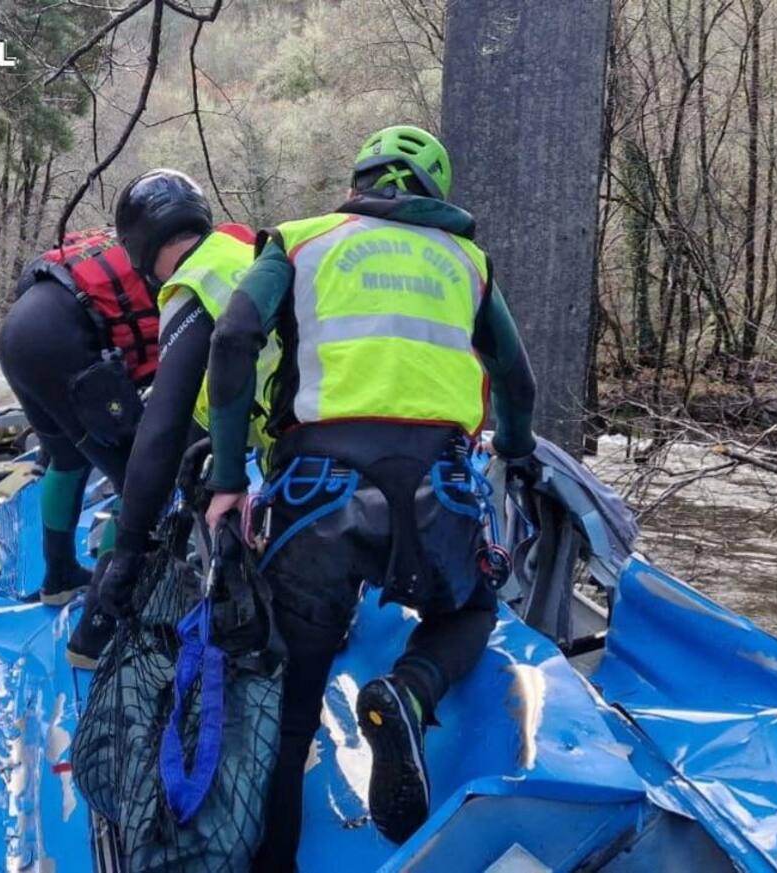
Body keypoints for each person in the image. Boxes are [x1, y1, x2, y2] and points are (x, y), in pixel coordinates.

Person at [203, 125, 537, 869]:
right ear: (434, 192)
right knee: (474, 607)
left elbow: (233, 339)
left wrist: (229, 477)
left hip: (319, 497)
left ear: (359, 181)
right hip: (436, 494)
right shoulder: (468, 261)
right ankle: (410, 690)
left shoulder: (299, 240)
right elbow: (516, 383)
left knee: (291, 714)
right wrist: (517, 451)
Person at [0, 168, 257, 667]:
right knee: (138, 481)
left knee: (68, 457)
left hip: (22, 334)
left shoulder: (141, 256)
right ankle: (93, 635)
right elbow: (163, 429)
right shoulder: (215, 272)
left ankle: (58, 580)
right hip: (63, 343)